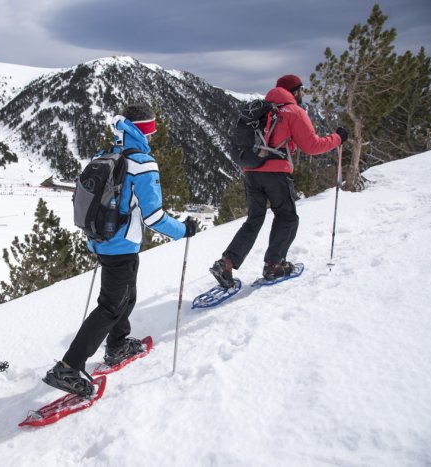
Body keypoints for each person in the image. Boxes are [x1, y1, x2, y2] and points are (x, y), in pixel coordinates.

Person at [43, 103, 197, 396]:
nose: (152, 136)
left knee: (127, 296)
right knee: (111, 306)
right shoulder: (142, 163)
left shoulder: (104, 155)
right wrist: (183, 230)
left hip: (103, 240)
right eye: (151, 130)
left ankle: (117, 344)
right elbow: (154, 217)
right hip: (121, 244)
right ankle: (68, 367)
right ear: (144, 130)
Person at [210, 74, 347, 288]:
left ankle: (226, 263)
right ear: (295, 91)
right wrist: (338, 138)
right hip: (276, 172)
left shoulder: (261, 111)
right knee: (287, 217)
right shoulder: (293, 111)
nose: (302, 95)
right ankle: (274, 265)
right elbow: (312, 146)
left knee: (254, 219)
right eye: (301, 90)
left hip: (251, 170)